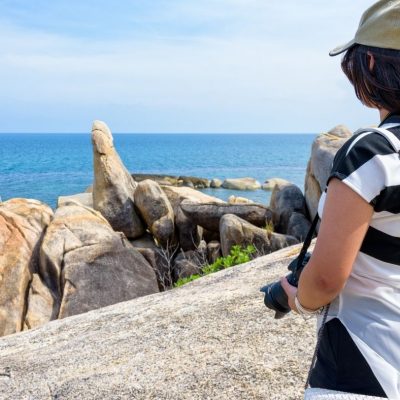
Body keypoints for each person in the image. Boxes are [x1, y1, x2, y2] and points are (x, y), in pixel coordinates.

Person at [281, 1, 400, 398]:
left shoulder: (375, 151)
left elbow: (328, 278)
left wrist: (295, 296)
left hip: (368, 369)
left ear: (369, 64)